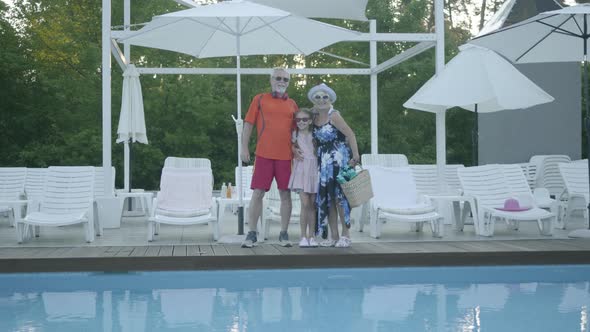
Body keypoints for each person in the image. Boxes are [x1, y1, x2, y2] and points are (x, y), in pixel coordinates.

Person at [241, 68, 298, 248]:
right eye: (278, 78)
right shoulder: (259, 99)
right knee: (258, 193)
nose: (281, 81)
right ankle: (251, 233)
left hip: (285, 157)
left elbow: (298, 131)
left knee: (285, 194)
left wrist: (298, 150)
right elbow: (248, 124)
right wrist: (243, 147)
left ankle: (283, 233)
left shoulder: (292, 104)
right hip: (263, 154)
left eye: (285, 79)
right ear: (271, 80)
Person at [310, 83, 360, 248]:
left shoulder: (334, 116)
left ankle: (346, 235)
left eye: (325, 97)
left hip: (341, 161)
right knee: (329, 200)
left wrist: (356, 155)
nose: (322, 100)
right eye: (318, 97)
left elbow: (350, 134)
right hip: (324, 164)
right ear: (313, 100)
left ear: (330, 99)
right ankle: (334, 236)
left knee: (341, 199)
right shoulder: (314, 117)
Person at [288, 108, 319, 248]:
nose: (301, 122)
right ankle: (302, 236)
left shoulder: (315, 135)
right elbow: (288, 147)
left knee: (312, 205)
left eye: (305, 119)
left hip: (314, 170)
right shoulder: (294, 135)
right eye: (298, 119)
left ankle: (312, 236)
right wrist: (294, 150)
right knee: (304, 204)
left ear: (310, 121)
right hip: (301, 170)